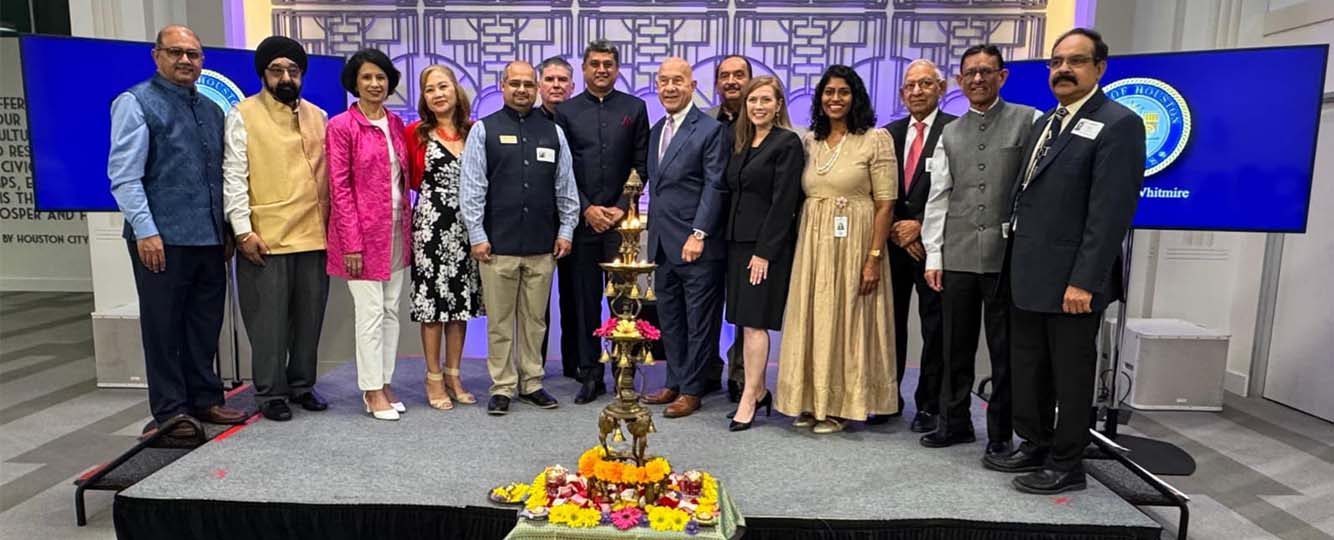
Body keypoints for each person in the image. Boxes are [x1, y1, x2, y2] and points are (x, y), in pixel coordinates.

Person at [985, 28, 1144, 495]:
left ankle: (1067, 462)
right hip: (1028, 273)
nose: (1063, 70)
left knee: (1071, 377)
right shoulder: (1045, 123)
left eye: (1076, 61)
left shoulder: (1119, 124)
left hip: (1072, 283)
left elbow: (1109, 213)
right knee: (1029, 368)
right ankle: (1035, 443)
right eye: (1056, 62)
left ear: (1099, 68)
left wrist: (1085, 282)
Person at [108, 24, 248, 436]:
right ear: (157, 56)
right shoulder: (136, 102)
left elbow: (219, 177)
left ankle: (205, 401)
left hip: (208, 239)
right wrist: (146, 231)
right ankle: (170, 411)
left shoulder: (210, 110)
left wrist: (225, 229)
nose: (185, 60)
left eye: (193, 54)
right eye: (176, 52)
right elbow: (124, 177)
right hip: (161, 241)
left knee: (204, 326)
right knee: (163, 328)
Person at [920, 45, 1036, 457]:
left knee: (1005, 349)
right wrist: (934, 255)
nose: (977, 79)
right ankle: (954, 422)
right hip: (958, 253)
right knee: (954, 344)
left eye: (986, 71)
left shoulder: (1029, 121)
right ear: (959, 81)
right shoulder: (949, 133)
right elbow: (938, 198)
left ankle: (1001, 433)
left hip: (1006, 257)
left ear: (1002, 77)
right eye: (969, 73)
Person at [775, 65, 899, 435]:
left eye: (843, 92)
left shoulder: (875, 139)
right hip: (813, 245)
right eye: (828, 92)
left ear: (855, 96)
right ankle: (811, 401)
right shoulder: (810, 141)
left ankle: (844, 406)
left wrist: (874, 257)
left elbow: (885, 204)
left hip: (856, 243)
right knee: (813, 318)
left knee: (848, 320)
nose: (835, 99)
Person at [459, 61, 579, 416]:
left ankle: (532, 381)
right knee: (499, 321)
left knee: (535, 320)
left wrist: (566, 229)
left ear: (538, 87)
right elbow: (472, 187)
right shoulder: (484, 130)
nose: (522, 90)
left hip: (543, 246)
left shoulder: (553, 132)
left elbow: (565, 185)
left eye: (529, 84)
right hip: (497, 247)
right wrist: (477, 234)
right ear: (503, 86)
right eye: (515, 83)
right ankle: (502, 385)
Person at [222, 35, 331, 421]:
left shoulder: (320, 117)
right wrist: (242, 231)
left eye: (293, 70)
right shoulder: (242, 114)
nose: (285, 77)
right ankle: (270, 393)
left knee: (309, 319)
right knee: (267, 324)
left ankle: (301, 385)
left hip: (314, 235)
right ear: (264, 73)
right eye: (277, 70)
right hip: (265, 237)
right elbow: (233, 176)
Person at [554, 40, 650, 405]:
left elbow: (643, 165)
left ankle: (623, 371)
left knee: (623, 302)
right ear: (584, 69)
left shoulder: (635, 108)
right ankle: (589, 373)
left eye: (608, 64)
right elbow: (562, 170)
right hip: (582, 223)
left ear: (617, 68)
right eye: (594, 63)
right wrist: (586, 208)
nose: (601, 69)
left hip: (621, 225)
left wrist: (618, 209)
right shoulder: (567, 111)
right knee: (584, 300)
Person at [639, 57, 729, 419]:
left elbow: (715, 185)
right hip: (662, 242)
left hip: (696, 245)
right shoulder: (657, 127)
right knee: (670, 319)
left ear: (692, 85)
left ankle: (693, 389)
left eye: (678, 80)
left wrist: (699, 233)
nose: (670, 87)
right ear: (657, 86)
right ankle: (674, 382)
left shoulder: (709, 130)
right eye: (663, 81)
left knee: (699, 321)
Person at [326, 48, 412, 421]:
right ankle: (371, 389)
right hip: (359, 236)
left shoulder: (394, 124)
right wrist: (352, 242)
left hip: (395, 229)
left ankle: (386, 380)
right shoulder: (341, 126)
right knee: (371, 312)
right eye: (367, 78)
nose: (375, 84)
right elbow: (339, 187)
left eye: (381, 77)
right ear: (355, 83)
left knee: (392, 309)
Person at [722, 76, 804, 431]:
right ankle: (758, 391)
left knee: (756, 324)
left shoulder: (786, 143)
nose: (758, 106)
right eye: (752, 100)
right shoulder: (742, 142)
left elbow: (784, 201)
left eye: (765, 100)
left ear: (778, 105)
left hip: (764, 248)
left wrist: (765, 252)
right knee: (742, 321)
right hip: (736, 245)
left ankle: (749, 397)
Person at [405, 65, 483, 411]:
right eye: (429, 89)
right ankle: (433, 376)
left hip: (467, 227)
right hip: (431, 227)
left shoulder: (474, 131)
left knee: (459, 305)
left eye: (443, 86)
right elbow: (407, 178)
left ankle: (454, 374)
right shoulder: (416, 134)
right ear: (424, 98)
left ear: (456, 90)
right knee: (433, 306)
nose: (437, 94)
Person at [881, 60, 953, 432]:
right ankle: (886, 397)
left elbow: (962, 190)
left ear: (941, 88)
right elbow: (874, 190)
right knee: (887, 324)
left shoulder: (957, 130)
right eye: (910, 86)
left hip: (934, 247)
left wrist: (921, 228)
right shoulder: (888, 134)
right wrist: (896, 228)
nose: (917, 91)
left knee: (935, 327)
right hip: (892, 246)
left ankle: (929, 404)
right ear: (901, 93)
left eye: (926, 84)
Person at [706, 54, 753, 403]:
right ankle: (706, 369)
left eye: (739, 75)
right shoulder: (705, 122)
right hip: (707, 230)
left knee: (742, 309)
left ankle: (740, 375)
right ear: (716, 83)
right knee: (705, 305)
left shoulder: (764, 123)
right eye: (725, 76)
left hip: (746, 231)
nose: (732, 81)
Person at [537, 56, 575, 121]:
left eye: (562, 79)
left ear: (572, 87)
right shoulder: (527, 122)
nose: (556, 85)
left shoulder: (584, 119)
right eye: (549, 79)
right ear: (539, 87)